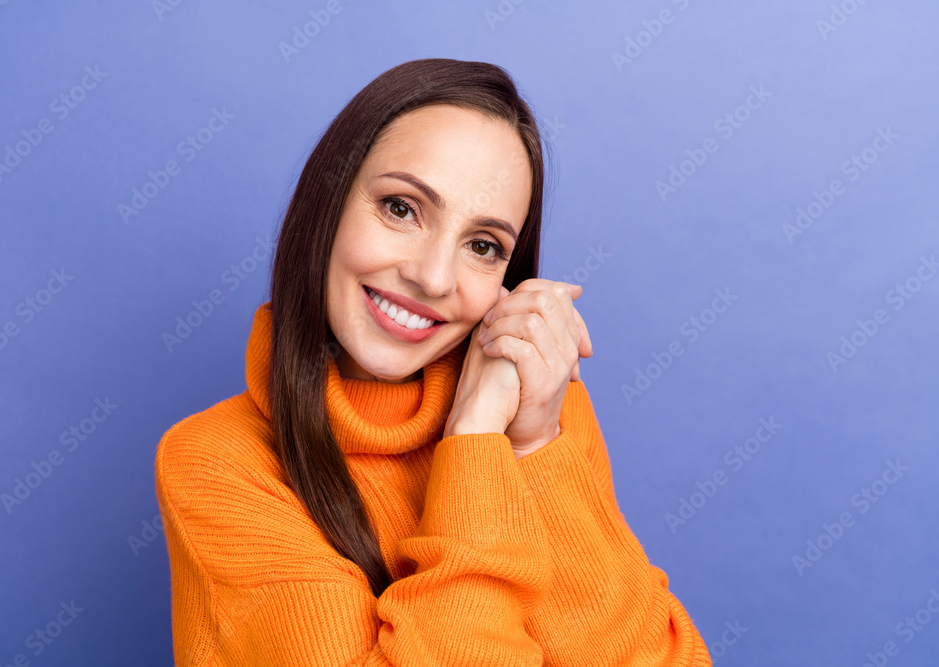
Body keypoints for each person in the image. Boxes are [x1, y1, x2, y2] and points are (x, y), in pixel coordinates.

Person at [155, 58, 712, 666]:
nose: (433, 276)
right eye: (401, 208)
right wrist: (474, 443)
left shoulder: (538, 407)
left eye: (482, 246)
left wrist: (532, 447)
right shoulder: (216, 464)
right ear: (328, 203)